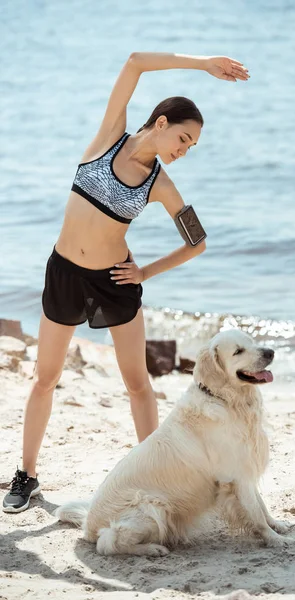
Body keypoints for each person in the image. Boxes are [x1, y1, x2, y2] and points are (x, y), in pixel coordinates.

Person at [3, 51, 250, 513]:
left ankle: (157, 477)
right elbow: (135, 62)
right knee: (45, 378)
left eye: (191, 146)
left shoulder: (159, 183)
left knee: (137, 384)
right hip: (63, 273)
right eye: (183, 138)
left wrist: (145, 272)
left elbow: (197, 242)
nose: (183, 150)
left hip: (115, 284)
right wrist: (203, 65)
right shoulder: (108, 139)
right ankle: (28, 475)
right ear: (159, 122)